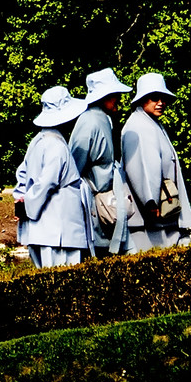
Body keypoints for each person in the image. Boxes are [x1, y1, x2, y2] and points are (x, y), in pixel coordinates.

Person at [13, 85, 93, 268]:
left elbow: (22, 175)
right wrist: (28, 208)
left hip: (46, 231)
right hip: (59, 233)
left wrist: (21, 201)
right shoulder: (56, 146)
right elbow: (45, 183)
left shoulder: (38, 141)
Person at [120, 72, 191, 252]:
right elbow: (143, 169)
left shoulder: (150, 123)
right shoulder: (138, 126)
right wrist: (151, 201)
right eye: (154, 98)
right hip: (151, 222)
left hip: (162, 219)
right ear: (142, 99)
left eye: (163, 98)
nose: (160, 102)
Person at [69, 68, 132, 256]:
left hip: (105, 201)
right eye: (114, 95)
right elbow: (74, 167)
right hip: (95, 203)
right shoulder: (89, 121)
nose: (118, 99)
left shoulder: (102, 119)